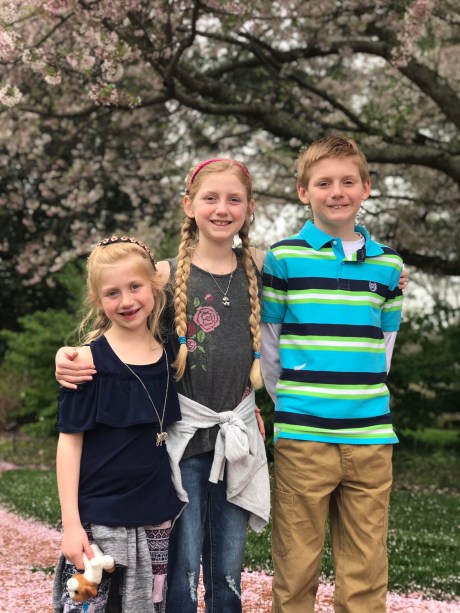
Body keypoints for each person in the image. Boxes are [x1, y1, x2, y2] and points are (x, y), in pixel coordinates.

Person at [54, 158, 271, 613]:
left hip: (235, 439)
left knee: (228, 573)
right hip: (183, 443)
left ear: (250, 207)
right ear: (189, 205)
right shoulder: (164, 276)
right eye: (210, 198)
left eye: (234, 199)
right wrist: (69, 356)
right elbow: (122, 316)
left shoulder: (259, 268)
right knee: (179, 573)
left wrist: (391, 278)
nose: (222, 208)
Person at [261, 136, 404, 613]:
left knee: (366, 568)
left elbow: (383, 351)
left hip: (370, 437)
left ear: (366, 187)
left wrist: (358, 396)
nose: (337, 192)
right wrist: (295, 403)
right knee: (296, 566)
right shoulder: (283, 258)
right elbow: (271, 346)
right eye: (324, 183)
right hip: (304, 436)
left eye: (347, 181)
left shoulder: (389, 266)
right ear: (304, 191)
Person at [52, 236, 183, 613]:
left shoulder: (170, 354)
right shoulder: (86, 363)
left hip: (156, 516)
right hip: (99, 519)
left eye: (135, 286)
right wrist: (71, 525)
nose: (126, 301)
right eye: (112, 292)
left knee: (148, 605)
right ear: (97, 300)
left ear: (154, 287)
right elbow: (70, 443)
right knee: (86, 605)